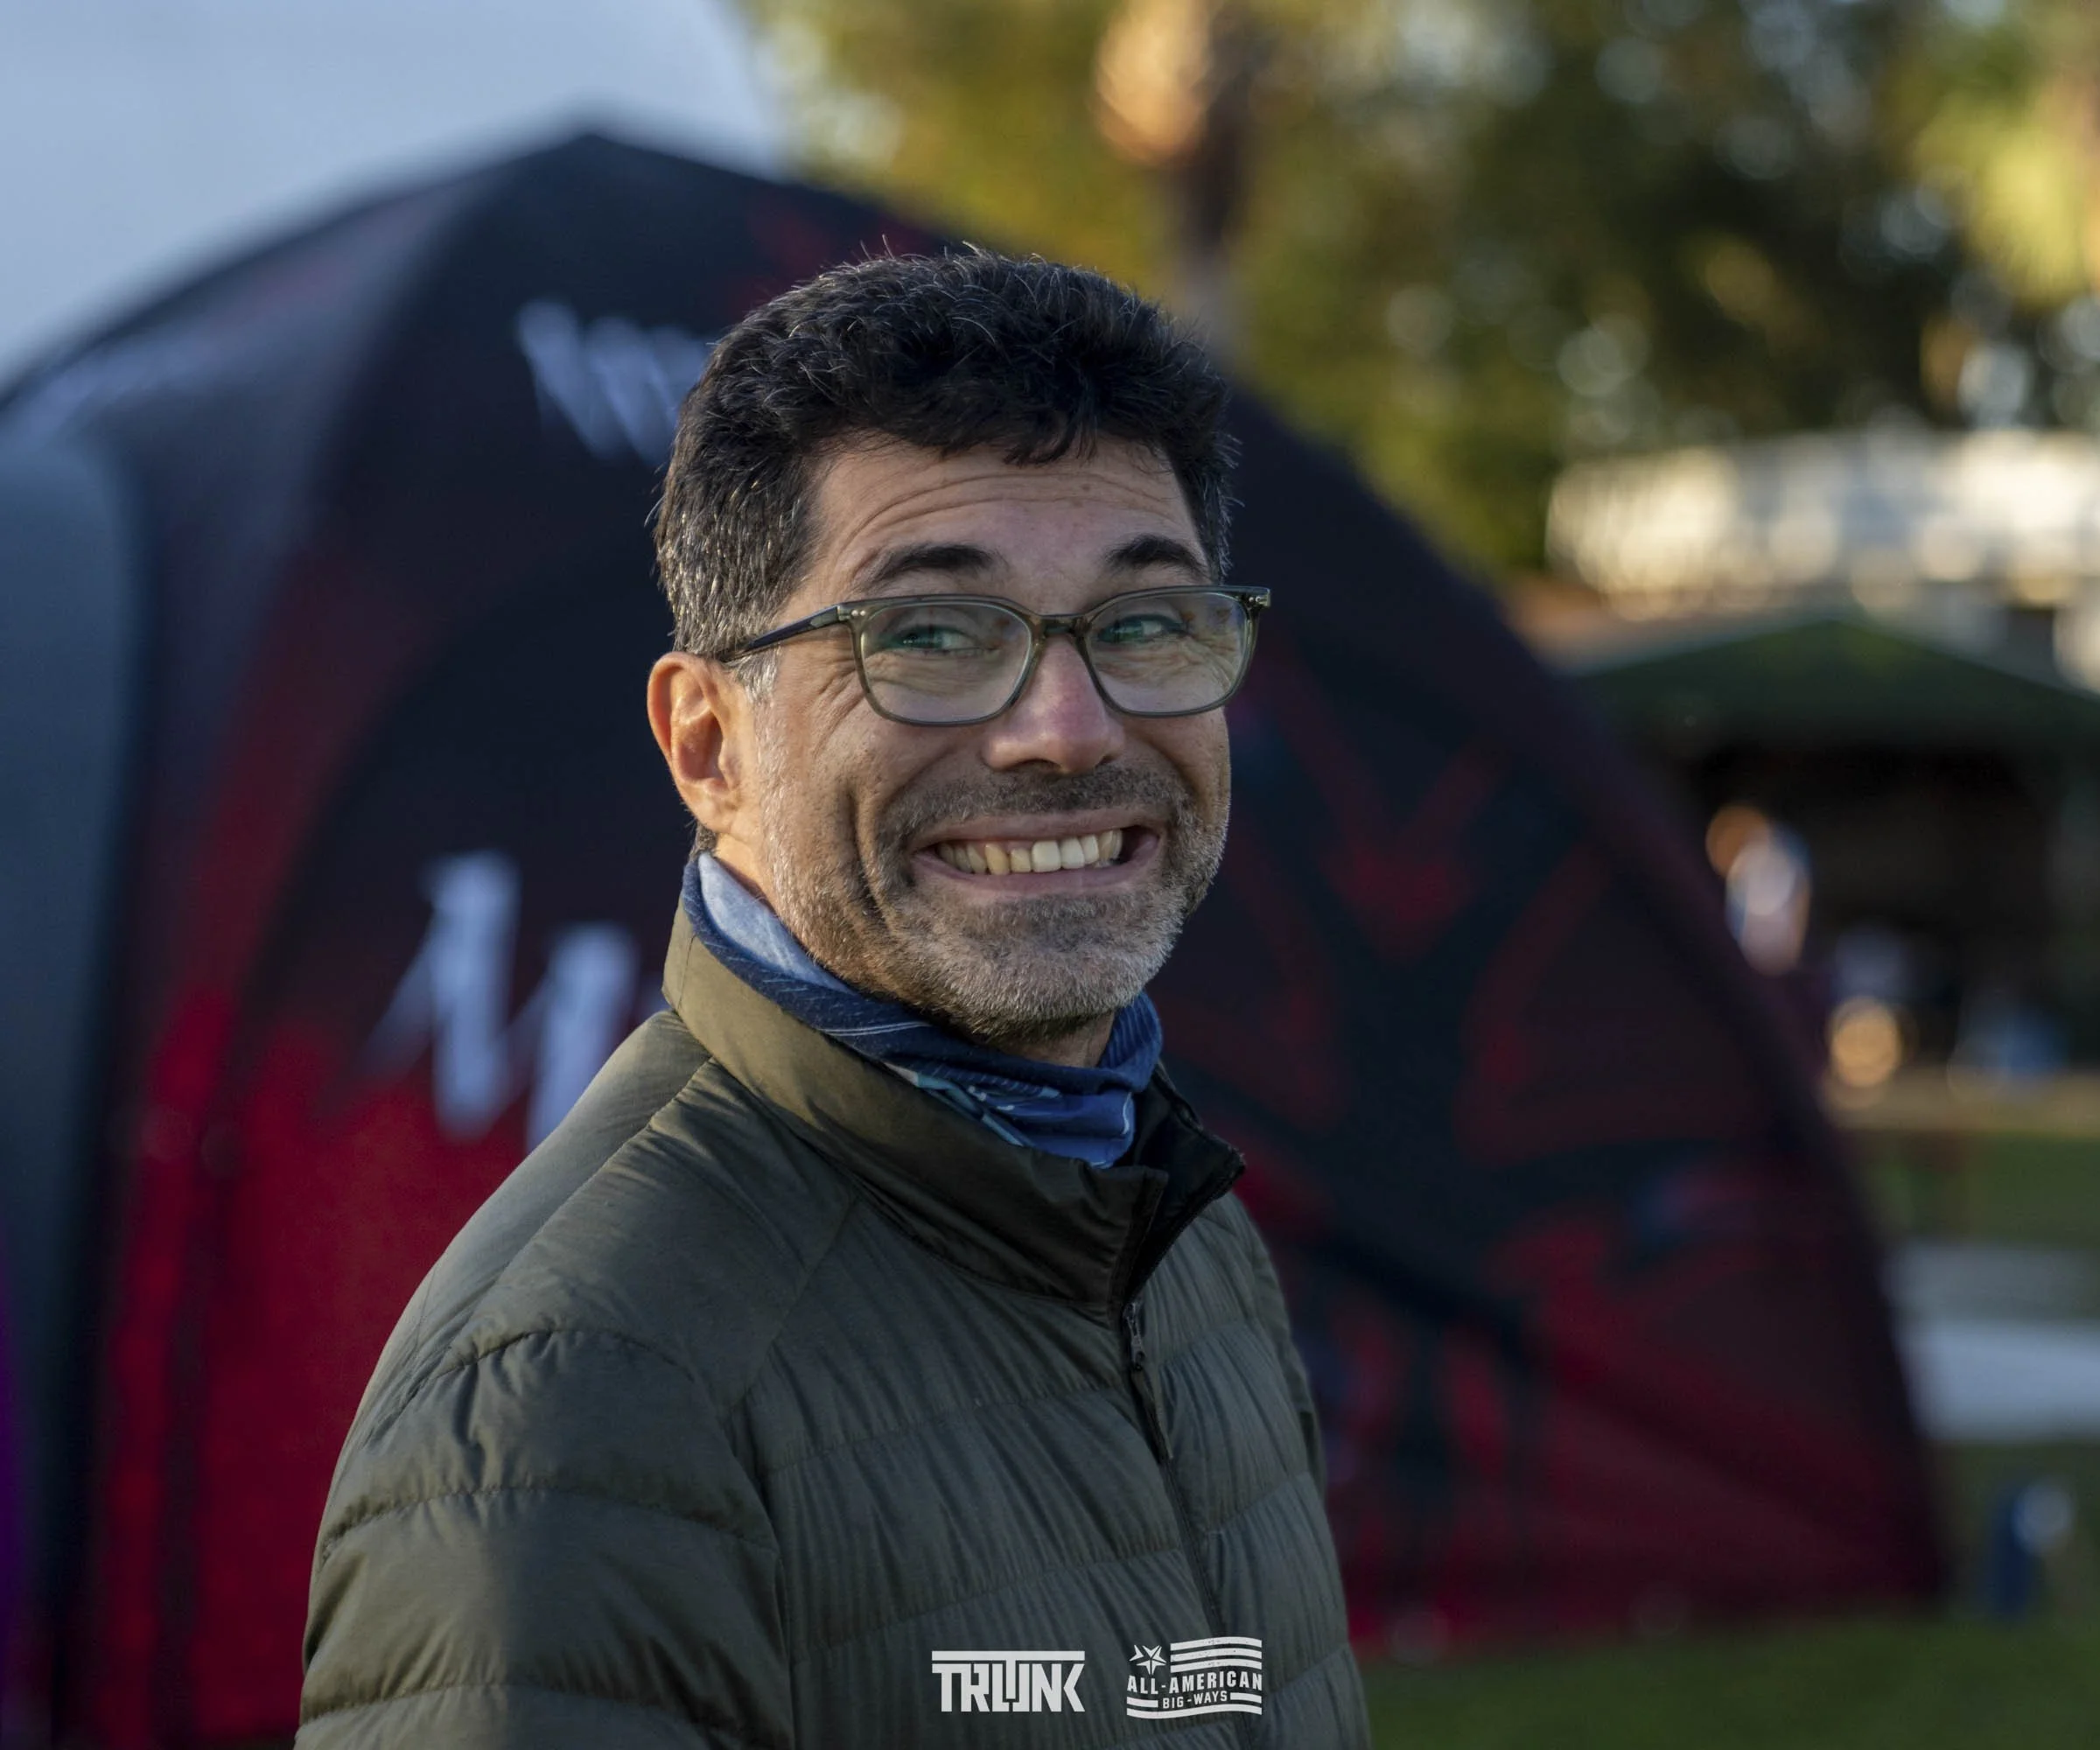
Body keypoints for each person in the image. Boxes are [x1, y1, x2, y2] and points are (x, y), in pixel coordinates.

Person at [298, 250, 1368, 1747]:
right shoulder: (573, 1417)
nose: (1066, 731)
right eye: (930, 635)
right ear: (707, 745)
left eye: (1145, 625)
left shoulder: (1175, 1232)